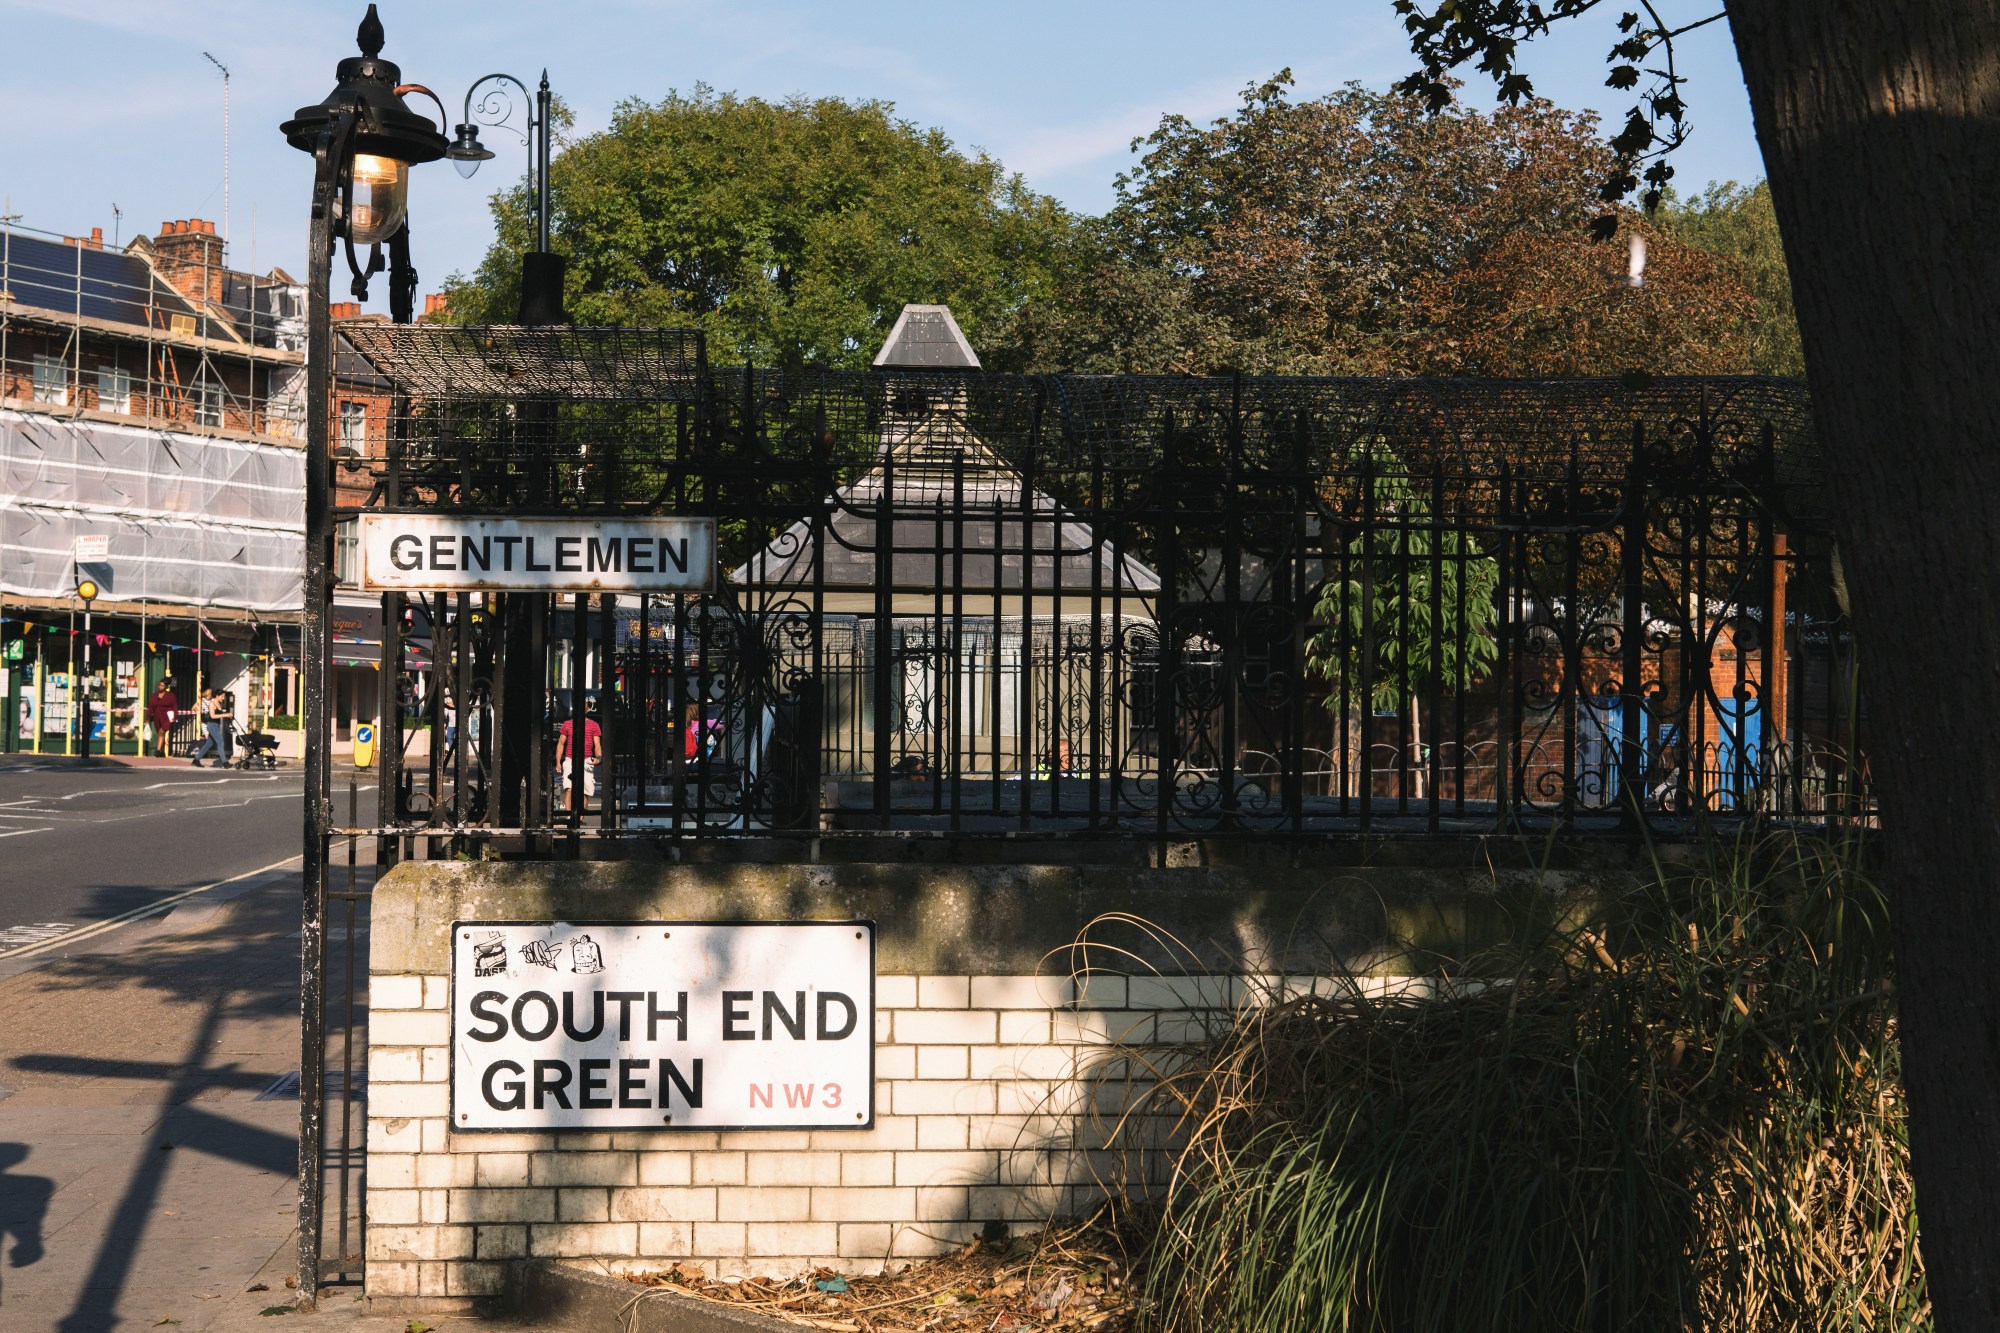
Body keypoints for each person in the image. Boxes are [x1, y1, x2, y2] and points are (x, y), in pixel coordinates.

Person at [554, 696, 603, 812]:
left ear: (587, 710)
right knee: (569, 789)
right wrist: (558, 762)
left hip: (586, 760)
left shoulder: (594, 725)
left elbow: (597, 745)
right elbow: (561, 743)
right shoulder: (567, 724)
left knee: (584, 792)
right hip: (570, 759)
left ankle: (580, 818)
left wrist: (599, 758)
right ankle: (570, 817)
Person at [189, 689, 226, 767]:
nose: (209, 696)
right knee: (220, 742)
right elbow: (193, 708)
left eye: (210, 695)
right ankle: (225, 762)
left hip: (212, 723)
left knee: (209, 743)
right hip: (207, 723)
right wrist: (200, 711)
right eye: (208, 695)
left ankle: (196, 759)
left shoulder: (215, 702)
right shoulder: (203, 701)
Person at [146, 682, 180, 758]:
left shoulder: (171, 696)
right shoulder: (154, 696)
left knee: (162, 731)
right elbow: (150, 707)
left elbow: (174, 706)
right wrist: (147, 718)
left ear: (166, 687)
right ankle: (162, 752)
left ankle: (158, 750)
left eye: (162, 685)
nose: (160, 687)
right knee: (160, 733)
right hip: (157, 717)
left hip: (167, 717)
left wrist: (175, 716)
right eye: (159, 685)